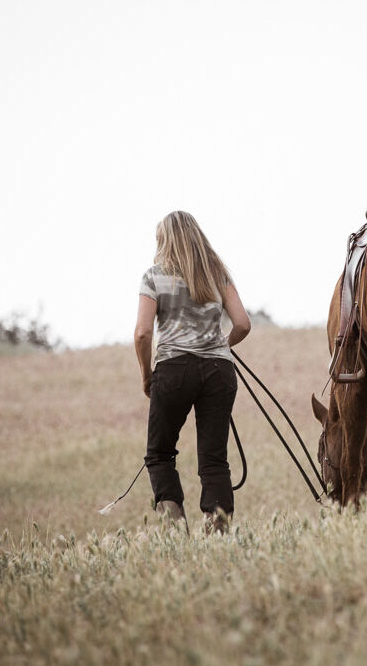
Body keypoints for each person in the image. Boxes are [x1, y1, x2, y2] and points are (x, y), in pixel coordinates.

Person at [134, 211, 251, 533]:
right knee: (214, 459)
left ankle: (174, 532)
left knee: (159, 454)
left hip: (173, 369)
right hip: (218, 371)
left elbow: (143, 334)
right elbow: (242, 323)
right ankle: (218, 532)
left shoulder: (153, 276)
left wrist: (147, 374)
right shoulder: (217, 274)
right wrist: (221, 347)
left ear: (164, 241)